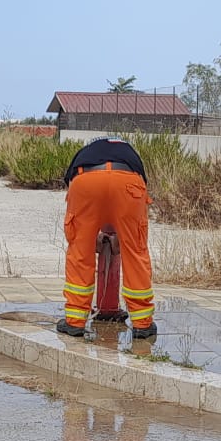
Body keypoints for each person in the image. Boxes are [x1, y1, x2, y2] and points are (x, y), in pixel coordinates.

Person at [58, 136, 155, 339]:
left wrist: (90, 237)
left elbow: (73, 187)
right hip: (129, 182)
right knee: (135, 253)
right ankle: (142, 324)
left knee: (79, 252)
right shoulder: (131, 155)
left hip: (86, 181)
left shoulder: (86, 153)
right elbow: (127, 220)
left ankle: (74, 322)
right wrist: (122, 239)